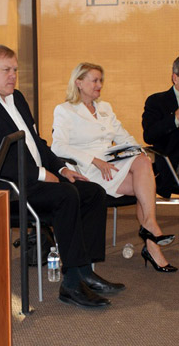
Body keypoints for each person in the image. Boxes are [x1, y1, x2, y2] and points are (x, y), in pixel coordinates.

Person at [0, 45, 125, 309]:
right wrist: (39, 174)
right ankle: (71, 284)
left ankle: (83, 270)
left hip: (36, 181)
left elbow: (37, 143)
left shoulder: (17, 98)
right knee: (66, 196)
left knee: (92, 192)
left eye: (15, 70)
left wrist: (60, 169)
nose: (13, 75)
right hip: (7, 189)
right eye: (6, 70)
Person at [52, 62, 176, 273]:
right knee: (144, 182)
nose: (99, 84)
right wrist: (93, 160)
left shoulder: (105, 107)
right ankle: (152, 235)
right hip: (89, 169)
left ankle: (151, 232)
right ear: (79, 83)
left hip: (112, 164)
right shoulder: (65, 110)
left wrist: (138, 150)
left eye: (101, 80)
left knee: (143, 163)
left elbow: (123, 135)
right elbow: (57, 146)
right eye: (94, 80)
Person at [142, 56, 179, 199]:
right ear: (175, 78)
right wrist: (175, 120)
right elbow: (149, 135)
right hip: (173, 165)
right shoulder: (157, 102)